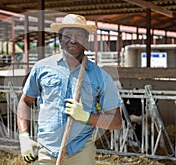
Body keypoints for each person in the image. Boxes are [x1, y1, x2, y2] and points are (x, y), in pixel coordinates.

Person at [17, 14, 122, 165]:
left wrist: (86, 116)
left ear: (86, 40)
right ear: (60, 39)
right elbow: (25, 102)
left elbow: (116, 121)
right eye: (67, 35)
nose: (73, 40)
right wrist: (24, 137)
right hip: (46, 149)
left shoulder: (100, 76)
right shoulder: (41, 68)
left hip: (81, 152)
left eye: (79, 35)